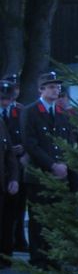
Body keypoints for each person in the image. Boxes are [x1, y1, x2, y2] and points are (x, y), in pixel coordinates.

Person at [20, 71, 76, 270]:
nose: (56, 90)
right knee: (38, 219)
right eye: (51, 86)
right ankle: (38, 258)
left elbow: (68, 141)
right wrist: (52, 165)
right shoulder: (31, 111)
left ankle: (54, 256)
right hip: (39, 174)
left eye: (58, 87)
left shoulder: (61, 113)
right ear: (41, 89)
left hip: (60, 174)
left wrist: (65, 164)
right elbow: (31, 143)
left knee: (56, 218)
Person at [0, 77, 27, 260]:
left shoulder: (21, 111)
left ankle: (7, 251)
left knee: (11, 214)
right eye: (2, 98)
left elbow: (10, 151)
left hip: (13, 171)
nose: (5, 101)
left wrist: (24, 149)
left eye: (8, 97)